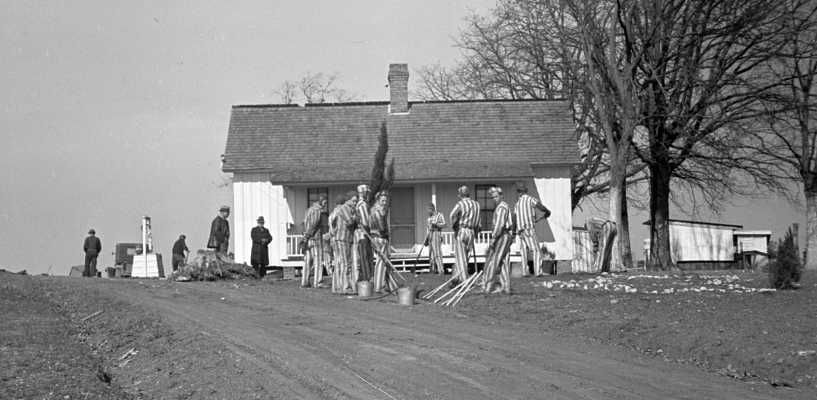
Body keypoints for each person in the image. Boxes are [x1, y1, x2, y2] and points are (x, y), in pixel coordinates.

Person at [514, 182, 552, 276]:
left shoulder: (517, 204)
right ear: (525, 191)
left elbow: (514, 218)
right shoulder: (530, 199)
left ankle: (524, 272)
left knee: (523, 252)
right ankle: (538, 272)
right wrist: (547, 211)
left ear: (519, 192)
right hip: (528, 229)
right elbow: (540, 206)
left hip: (520, 232)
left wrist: (514, 232)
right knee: (536, 250)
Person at [483, 187, 514, 294]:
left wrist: (493, 238)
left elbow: (499, 225)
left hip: (502, 235)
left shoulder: (501, 207)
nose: (494, 199)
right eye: (492, 197)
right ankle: (506, 287)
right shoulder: (504, 206)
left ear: (501, 196)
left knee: (494, 261)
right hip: (506, 235)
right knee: (504, 261)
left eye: (496, 196)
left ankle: (487, 286)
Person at [449, 185, 480, 284]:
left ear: (460, 195)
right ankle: (457, 278)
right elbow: (478, 221)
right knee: (465, 257)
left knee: (460, 256)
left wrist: (454, 226)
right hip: (471, 232)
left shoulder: (460, 204)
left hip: (462, 230)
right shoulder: (476, 204)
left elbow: (452, 215)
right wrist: (476, 232)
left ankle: (463, 280)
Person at [329, 192, 357, 293]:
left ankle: (338, 287)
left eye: (356, 201)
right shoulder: (345, 208)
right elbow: (349, 222)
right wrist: (356, 216)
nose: (355, 203)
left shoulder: (349, 209)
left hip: (346, 239)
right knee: (346, 263)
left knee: (341, 263)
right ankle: (346, 287)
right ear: (348, 200)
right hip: (342, 239)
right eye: (353, 200)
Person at [370, 191, 396, 293]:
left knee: (384, 262)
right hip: (379, 238)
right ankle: (379, 286)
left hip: (377, 237)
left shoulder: (376, 210)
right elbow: (381, 227)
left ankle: (389, 285)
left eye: (386, 200)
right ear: (378, 200)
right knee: (381, 262)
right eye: (383, 200)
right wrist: (386, 235)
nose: (385, 203)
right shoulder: (378, 211)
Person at [302, 194, 327, 288]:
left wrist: (305, 237)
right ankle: (318, 282)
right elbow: (314, 224)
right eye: (325, 201)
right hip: (315, 238)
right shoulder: (317, 211)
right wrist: (308, 235)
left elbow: (304, 223)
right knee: (318, 260)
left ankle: (305, 282)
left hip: (308, 238)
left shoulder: (308, 210)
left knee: (307, 261)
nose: (325, 203)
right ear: (320, 201)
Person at [353, 184, 373, 283]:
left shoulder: (360, 203)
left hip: (362, 234)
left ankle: (366, 277)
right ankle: (367, 278)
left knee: (364, 256)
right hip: (363, 234)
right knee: (365, 257)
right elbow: (365, 222)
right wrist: (369, 232)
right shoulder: (363, 204)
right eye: (367, 192)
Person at [424, 203, 446, 274]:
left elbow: (444, 225)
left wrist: (436, 225)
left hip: (436, 234)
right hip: (430, 235)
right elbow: (428, 229)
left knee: (437, 253)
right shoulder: (429, 218)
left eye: (428, 210)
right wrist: (426, 240)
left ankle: (441, 270)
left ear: (431, 209)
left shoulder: (439, 215)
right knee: (431, 255)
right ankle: (433, 270)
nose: (427, 212)